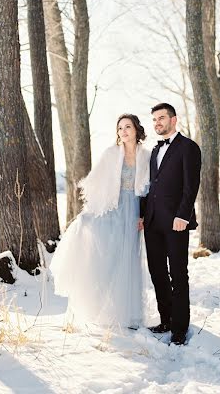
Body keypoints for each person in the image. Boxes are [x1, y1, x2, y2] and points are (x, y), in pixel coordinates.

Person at [50, 114, 151, 328]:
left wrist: (143, 215)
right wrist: (92, 211)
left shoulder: (147, 156)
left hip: (134, 210)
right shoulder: (110, 154)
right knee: (109, 258)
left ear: (136, 130)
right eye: (120, 127)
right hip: (112, 210)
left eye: (127, 127)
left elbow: (150, 189)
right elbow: (95, 182)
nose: (123, 131)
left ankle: (129, 314)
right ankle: (103, 311)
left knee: (129, 258)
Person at [140, 103, 201, 345]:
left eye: (162, 118)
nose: (157, 123)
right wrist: (143, 214)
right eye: (154, 119)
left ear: (173, 120)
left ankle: (179, 328)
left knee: (178, 273)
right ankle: (165, 319)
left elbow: (191, 186)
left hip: (176, 221)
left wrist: (182, 216)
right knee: (157, 273)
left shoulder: (189, 148)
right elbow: (150, 188)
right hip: (153, 222)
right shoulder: (155, 151)